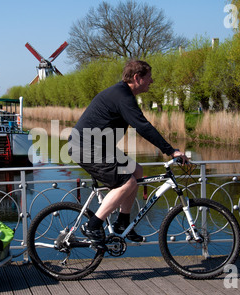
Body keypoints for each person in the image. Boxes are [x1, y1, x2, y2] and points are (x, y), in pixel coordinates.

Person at [68, 60, 188, 250]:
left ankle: (122, 223)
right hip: (86, 147)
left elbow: (141, 125)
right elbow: (143, 126)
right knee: (128, 182)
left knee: (137, 171)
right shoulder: (122, 96)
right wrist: (170, 150)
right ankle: (93, 225)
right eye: (149, 78)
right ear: (136, 77)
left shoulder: (123, 93)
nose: (152, 81)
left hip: (99, 146)